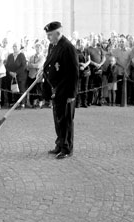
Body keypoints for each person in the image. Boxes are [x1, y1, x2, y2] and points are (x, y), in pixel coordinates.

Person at [42, 21, 79, 160]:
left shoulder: (67, 47)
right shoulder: (53, 45)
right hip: (55, 89)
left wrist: (71, 94)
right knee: (58, 119)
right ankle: (60, 143)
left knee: (66, 120)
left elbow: (74, 72)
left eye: (50, 35)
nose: (48, 38)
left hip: (65, 89)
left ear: (58, 33)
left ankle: (67, 148)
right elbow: (49, 63)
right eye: (47, 35)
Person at [5, 42, 27, 108]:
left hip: (20, 76)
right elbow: (7, 66)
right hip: (11, 76)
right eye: (13, 46)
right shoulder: (10, 56)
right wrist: (10, 72)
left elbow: (23, 66)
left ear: (19, 47)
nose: (14, 48)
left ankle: (22, 104)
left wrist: (16, 73)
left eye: (16, 46)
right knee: (14, 89)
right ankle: (16, 103)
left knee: (21, 89)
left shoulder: (21, 55)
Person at [112, 38, 131, 104]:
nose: (121, 43)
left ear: (125, 42)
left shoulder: (129, 50)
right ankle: (118, 101)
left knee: (127, 87)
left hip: (127, 72)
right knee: (119, 87)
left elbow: (130, 60)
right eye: (120, 41)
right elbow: (115, 60)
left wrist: (126, 67)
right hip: (119, 71)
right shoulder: (115, 50)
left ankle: (127, 101)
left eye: (123, 41)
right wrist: (123, 66)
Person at [86, 37, 105, 106]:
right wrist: (95, 64)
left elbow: (104, 58)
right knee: (91, 85)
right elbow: (88, 60)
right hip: (92, 69)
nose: (95, 41)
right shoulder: (88, 49)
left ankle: (99, 100)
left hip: (99, 69)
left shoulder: (100, 49)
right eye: (93, 40)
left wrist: (100, 64)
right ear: (91, 40)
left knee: (100, 85)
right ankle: (89, 101)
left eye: (96, 40)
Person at [27, 43, 46, 108]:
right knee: (33, 90)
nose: (37, 49)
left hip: (38, 76)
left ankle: (41, 102)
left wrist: (31, 65)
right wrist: (32, 65)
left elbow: (39, 65)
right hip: (31, 75)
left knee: (39, 89)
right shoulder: (32, 56)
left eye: (38, 48)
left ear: (41, 49)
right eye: (36, 47)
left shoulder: (42, 57)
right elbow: (28, 65)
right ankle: (34, 102)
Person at [76, 39, 91, 108]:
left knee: (85, 87)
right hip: (79, 71)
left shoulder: (86, 51)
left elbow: (89, 60)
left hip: (86, 71)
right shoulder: (76, 51)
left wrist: (85, 65)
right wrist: (80, 65)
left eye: (83, 42)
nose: (82, 43)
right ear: (78, 44)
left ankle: (84, 102)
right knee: (78, 87)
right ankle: (78, 103)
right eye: (80, 42)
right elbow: (74, 61)